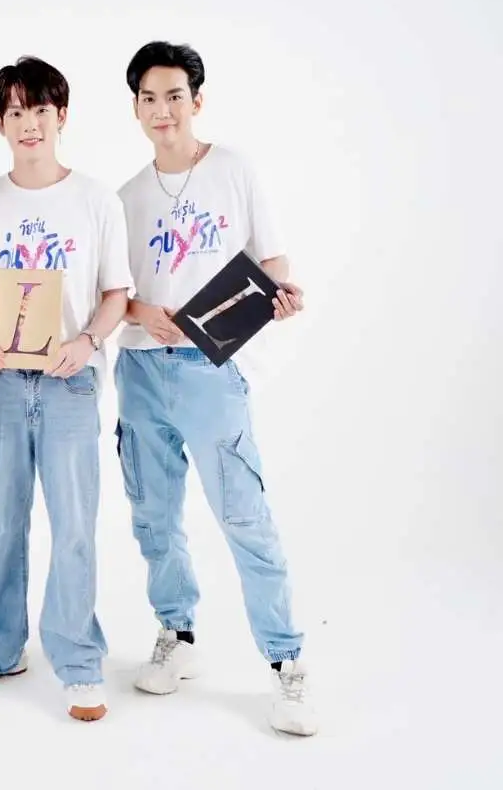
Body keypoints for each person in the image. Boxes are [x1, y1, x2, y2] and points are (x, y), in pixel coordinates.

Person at [113, 39, 317, 736]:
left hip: (212, 370)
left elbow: (273, 262)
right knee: (154, 515)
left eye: (175, 96)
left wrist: (280, 297)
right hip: (142, 369)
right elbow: (114, 296)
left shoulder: (233, 170)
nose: (162, 110)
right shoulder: (126, 197)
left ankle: (287, 664)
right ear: (136, 108)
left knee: (243, 516)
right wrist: (144, 315)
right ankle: (177, 635)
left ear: (196, 101)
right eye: (149, 98)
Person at [0, 56, 133, 722]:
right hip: (1, 383)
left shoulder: (96, 201)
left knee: (74, 525)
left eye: (41, 110)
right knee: (5, 520)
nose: (30, 123)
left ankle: (79, 661)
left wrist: (87, 344)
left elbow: (116, 293)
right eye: (16, 111)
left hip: (69, 384)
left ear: (63, 116)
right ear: (1, 122)